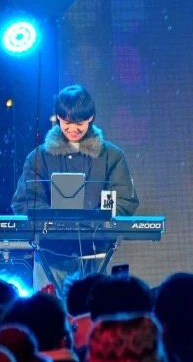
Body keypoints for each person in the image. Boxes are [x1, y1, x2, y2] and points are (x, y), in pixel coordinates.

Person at [10, 85, 139, 290]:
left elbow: (124, 199)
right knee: (49, 308)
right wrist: (55, 222)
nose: (72, 129)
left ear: (91, 118)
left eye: (79, 123)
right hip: (49, 254)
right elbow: (25, 201)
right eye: (66, 123)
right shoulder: (38, 157)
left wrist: (95, 221)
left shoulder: (112, 156)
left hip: (95, 254)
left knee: (93, 306)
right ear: (58, 118)